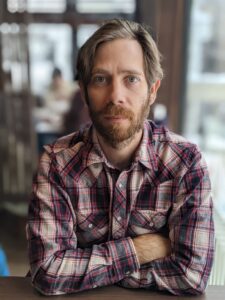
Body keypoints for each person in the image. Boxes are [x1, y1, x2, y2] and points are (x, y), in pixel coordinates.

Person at [27, 19, 214, 296]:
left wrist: (86, 270)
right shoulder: (56, 163)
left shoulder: (185, 163)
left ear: (152, 90)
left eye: (131, 79)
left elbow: (191, 274)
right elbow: (47, 272)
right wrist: (141, 249)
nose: (116, 96)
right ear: (85, 93)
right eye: (101, 79)